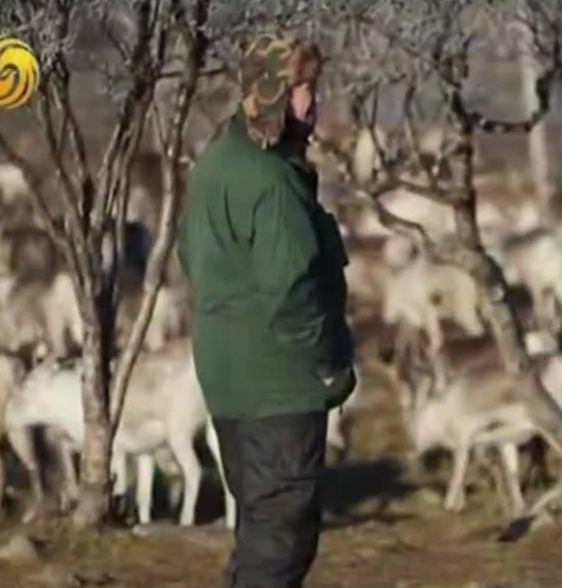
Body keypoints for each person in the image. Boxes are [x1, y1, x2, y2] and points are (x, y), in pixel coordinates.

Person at [177, 33, 356, 588]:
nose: (313, 103)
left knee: (259, 533)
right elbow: (293, 291)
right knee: (280, 544)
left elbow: (194, 258)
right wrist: (329, 365)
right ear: (275, 91)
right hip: (280, 389)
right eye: (304, 89)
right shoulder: (271, 183)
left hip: (230, 384)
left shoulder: (217, 163)